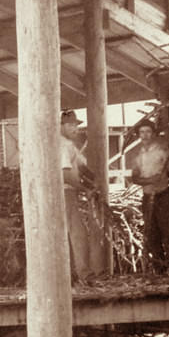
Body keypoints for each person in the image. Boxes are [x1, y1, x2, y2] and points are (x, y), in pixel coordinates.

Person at [130, 120, 169, 272]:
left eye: (148, 132)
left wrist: (163, 178)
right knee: (152, 234)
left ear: (153, 133)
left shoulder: (162, 150)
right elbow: (135, 178)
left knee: (168, 232)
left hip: (162, 196)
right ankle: (159, 269)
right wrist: (150, 180)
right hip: (147, 197)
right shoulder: (138, 154)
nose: (144, 135)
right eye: (141, 132)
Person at [60, 110, 95, 281]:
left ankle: (74, 274)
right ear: (61, 126)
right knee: (78, 233)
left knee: (71, 233)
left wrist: (94, 181)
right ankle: (85, 275)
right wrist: (85, 188)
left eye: (76, 125)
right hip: (65, 192)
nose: (75, 128)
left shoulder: (68, 144)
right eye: (71, 125)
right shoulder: (62, 145)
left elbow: (81, 165)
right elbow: (65, 175)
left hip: (68, 192)